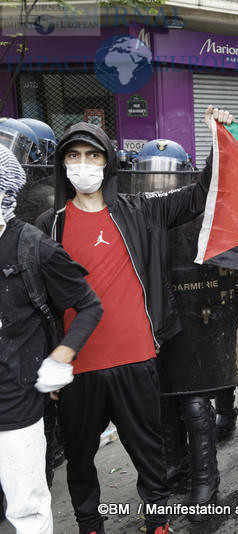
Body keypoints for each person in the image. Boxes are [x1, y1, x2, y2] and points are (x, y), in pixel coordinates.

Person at [35, 106, 233, 534]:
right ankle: (89, 525)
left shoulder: (141, 210)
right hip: (77, 368)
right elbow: (39, 304)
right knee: (80, 459)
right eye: (74, 156)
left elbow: (200, 194)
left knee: (149, 451)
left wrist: (218, 139)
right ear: (62, 164)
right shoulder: (47, 227)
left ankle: (157, 522)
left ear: (107, 161)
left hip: (136, 358)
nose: (83, 165)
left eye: (93, 155)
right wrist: (48, 363)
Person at [0, 143, 102, 533]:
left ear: (6, 194)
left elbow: (88, 305)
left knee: (26, 506)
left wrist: (61, 355)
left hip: (15, 400)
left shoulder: (33, 246)